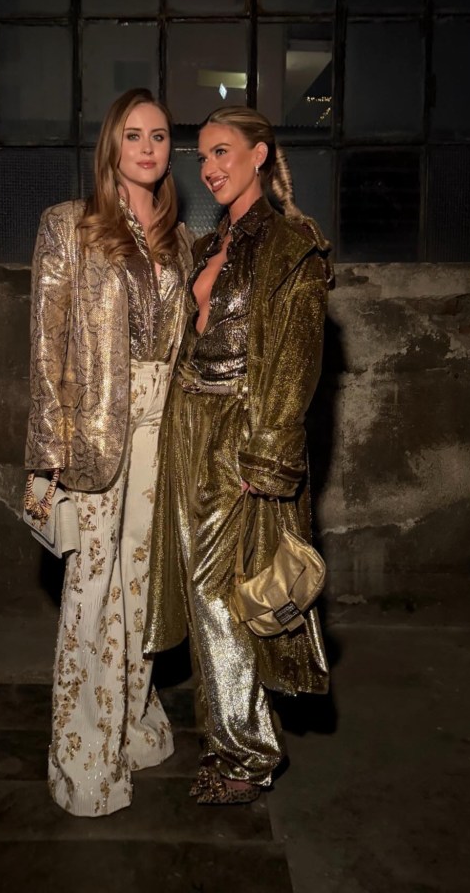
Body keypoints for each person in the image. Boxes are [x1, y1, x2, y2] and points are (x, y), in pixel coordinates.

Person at [144, 105, 333, 805]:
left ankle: (246, 756)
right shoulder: (208, 242)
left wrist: (269, 455)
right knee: (202, 594)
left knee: (218, 593)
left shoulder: (291, 247)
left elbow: (297, 362)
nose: (209, 168)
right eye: (202, 157)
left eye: (222, 152)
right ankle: (232, 741)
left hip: (240, 433)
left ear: (260, 155)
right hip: (186, 427)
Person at [25, 88, 193, 816]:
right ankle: (82, 758)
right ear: (111, 145)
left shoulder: (181, 240)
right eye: (134, 135)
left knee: (142, 589)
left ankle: (128, 723)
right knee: (91, 591)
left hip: (164, 432)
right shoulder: (69, 225)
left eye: (158, 136)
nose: (148, 148)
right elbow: (45, 346)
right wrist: (49, 450)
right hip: (92, 435)